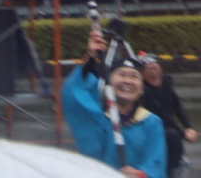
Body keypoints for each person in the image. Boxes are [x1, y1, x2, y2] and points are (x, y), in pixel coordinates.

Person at [63, 29, 167, 178]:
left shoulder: (151, 123)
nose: (127, 81)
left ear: (142, 89)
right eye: (121, 75)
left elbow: (156, 165)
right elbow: (72, 93)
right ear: (109, 84)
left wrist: (139, 174)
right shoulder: (97, 119)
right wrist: (91, 57)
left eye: (134, 76)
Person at [140, 54, 198, 177]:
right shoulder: (144, 90)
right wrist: (183, 133)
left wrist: (188, 127)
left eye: (155, 66)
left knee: (173, 134)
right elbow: (162, 114)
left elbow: (177, 105)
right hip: (151, 126)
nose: (153, 69)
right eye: (149, 68)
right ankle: (168, 170)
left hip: (167, 125)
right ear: (143, 74)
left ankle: (175, 164)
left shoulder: (166, 82)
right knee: (173, 135)